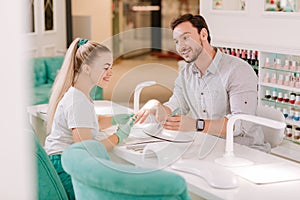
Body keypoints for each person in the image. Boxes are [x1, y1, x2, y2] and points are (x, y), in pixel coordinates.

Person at [134, 14, 270, 152]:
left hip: (245, 152)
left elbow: (240, 125)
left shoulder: (238, 70)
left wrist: (197, 125)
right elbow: (177, 105)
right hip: (209, 147)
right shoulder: (186, 74)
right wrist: (158, 107)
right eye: (176, 41)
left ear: (203, 34)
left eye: (185, 38)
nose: (181, 47)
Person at [44, 38, 134, 200]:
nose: (111, 72)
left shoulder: (79, 94)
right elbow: (86, 148)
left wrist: (115, 119)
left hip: (64, 160)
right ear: (86, 68)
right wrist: (118, 137)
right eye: (106, 68)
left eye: (111, 67)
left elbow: (89, 122)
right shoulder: (77, 101)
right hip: (65, 166)